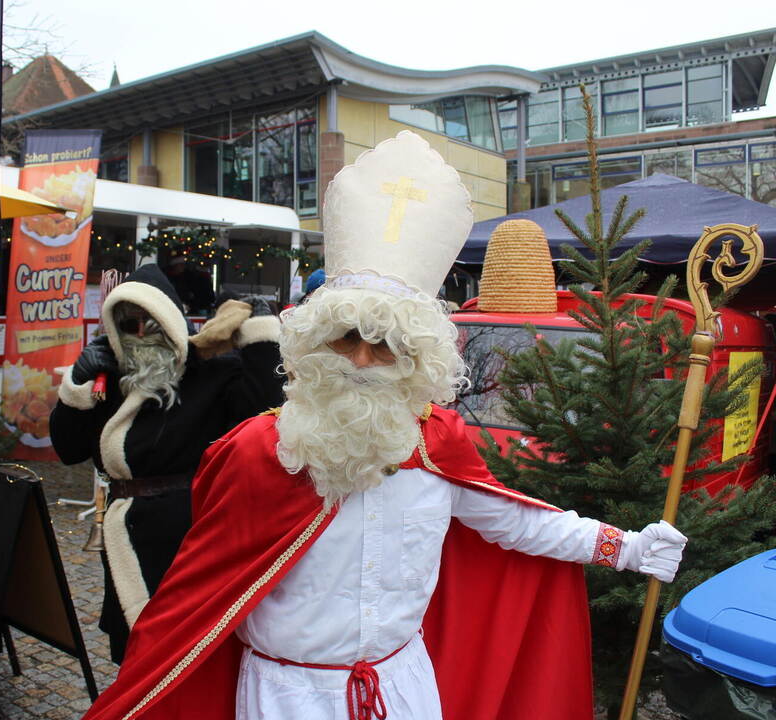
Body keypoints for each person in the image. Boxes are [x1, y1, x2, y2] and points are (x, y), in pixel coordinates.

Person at [80, 132, 687, 720]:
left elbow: (516, 523)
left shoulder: (437, 442)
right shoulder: (259, 450)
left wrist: (626, 547)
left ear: (417, 359)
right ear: (315, 344)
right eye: (347, 338)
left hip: (402, 688)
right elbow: (199, 593)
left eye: (387, 344)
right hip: (287, 696)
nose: (363, 360)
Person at [49, 262, 284, 664]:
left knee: (183, 653)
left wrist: (260, 335)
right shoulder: (113, 380)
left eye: (151, 323)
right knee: (131, 652)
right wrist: (77, 387)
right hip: (125, 537)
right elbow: (68, 450)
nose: (140, 334)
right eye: (129, 324)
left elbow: (268, 405)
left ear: (172, 322)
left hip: (187, 536)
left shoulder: (210, 374)